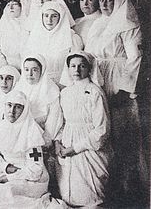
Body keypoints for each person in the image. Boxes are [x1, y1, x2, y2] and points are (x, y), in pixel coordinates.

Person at [84, 0, 144, 201]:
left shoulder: (127, 24)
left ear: (118, 1)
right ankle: (102, 183)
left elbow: (134, 58)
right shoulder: (98, 23)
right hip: (99, 77)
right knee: (101, 130)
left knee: (121, 133)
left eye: (109, 0)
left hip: (118, 79)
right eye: (101, 0)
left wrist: (125, 89)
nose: (104, 4)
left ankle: (126, 186)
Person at [56, 51, 111, 207]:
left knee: (90, 197)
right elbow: (63, 122)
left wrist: (75, 148)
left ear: (89, 68)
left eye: (82, 66)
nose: (77, 70)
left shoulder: (95, 92)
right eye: (73, 66)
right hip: (67, 143)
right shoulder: (65, 93)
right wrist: (58, 143)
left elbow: (102, 130)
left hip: (88, 149)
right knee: (68, 191)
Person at [0, 90, 49, 208]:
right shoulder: (0, 127)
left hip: (30, 178)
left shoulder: (31, 131)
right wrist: (5, 167)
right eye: (9, 105)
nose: (12, 110)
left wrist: (10, 177)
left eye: (18, 107)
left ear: (24, 110)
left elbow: (36, 169)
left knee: (5, 192)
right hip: (5, 169)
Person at [25, 1, 83, 83]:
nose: (49, 20)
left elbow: (75, 65)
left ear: (60, 18)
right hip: (39, 82)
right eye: (46, 16)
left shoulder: (72, 37)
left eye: (54, 16)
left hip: (63, 82)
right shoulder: (34, 36)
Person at [15, 54, 63, 146]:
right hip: (20, 134)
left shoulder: (51, 90)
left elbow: (54, 119)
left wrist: (46, 139)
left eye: (35, 70)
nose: (30, 74)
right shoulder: (18, 87)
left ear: (42, 71)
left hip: (43, 135)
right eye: (26, 69)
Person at [0, 0, 31, 68]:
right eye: (9, 5)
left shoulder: (31, 26)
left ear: (23, 6)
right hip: (7, 68)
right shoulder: (2, 26)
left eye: (15, 4)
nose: (11, 7)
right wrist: (6, 67)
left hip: (28, 69)